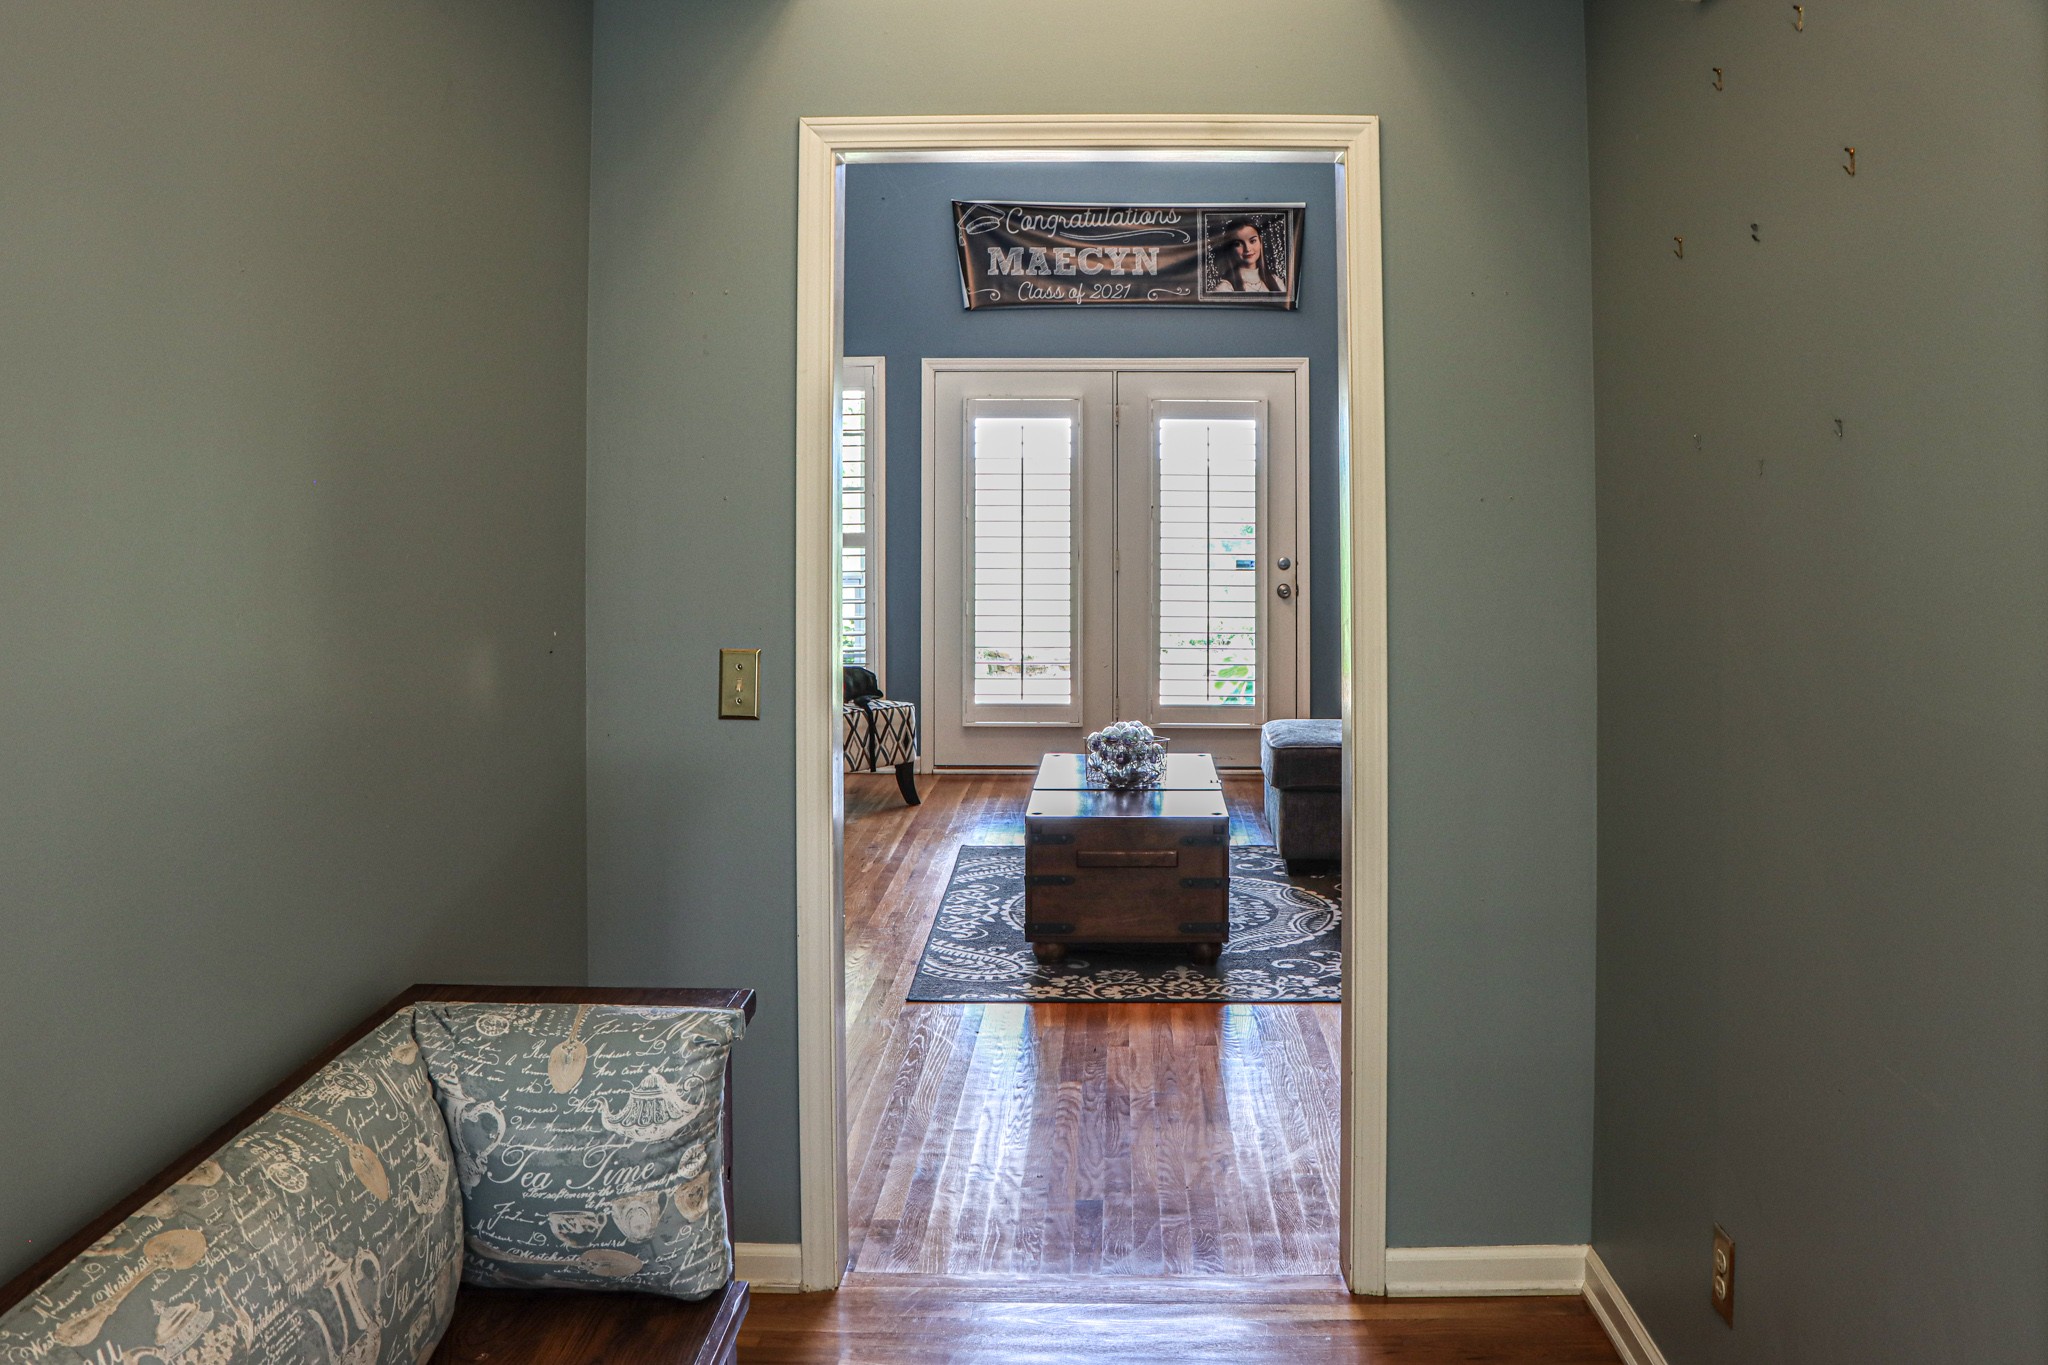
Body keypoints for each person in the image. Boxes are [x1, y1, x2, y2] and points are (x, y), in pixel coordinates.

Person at [1210, 217, 1283, 293]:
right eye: (1238, 244)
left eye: (1252, 241)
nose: (1247, 249)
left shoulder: (1277, 282)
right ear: (1230, 248)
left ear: (1260, 242)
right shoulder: (1224, 289)